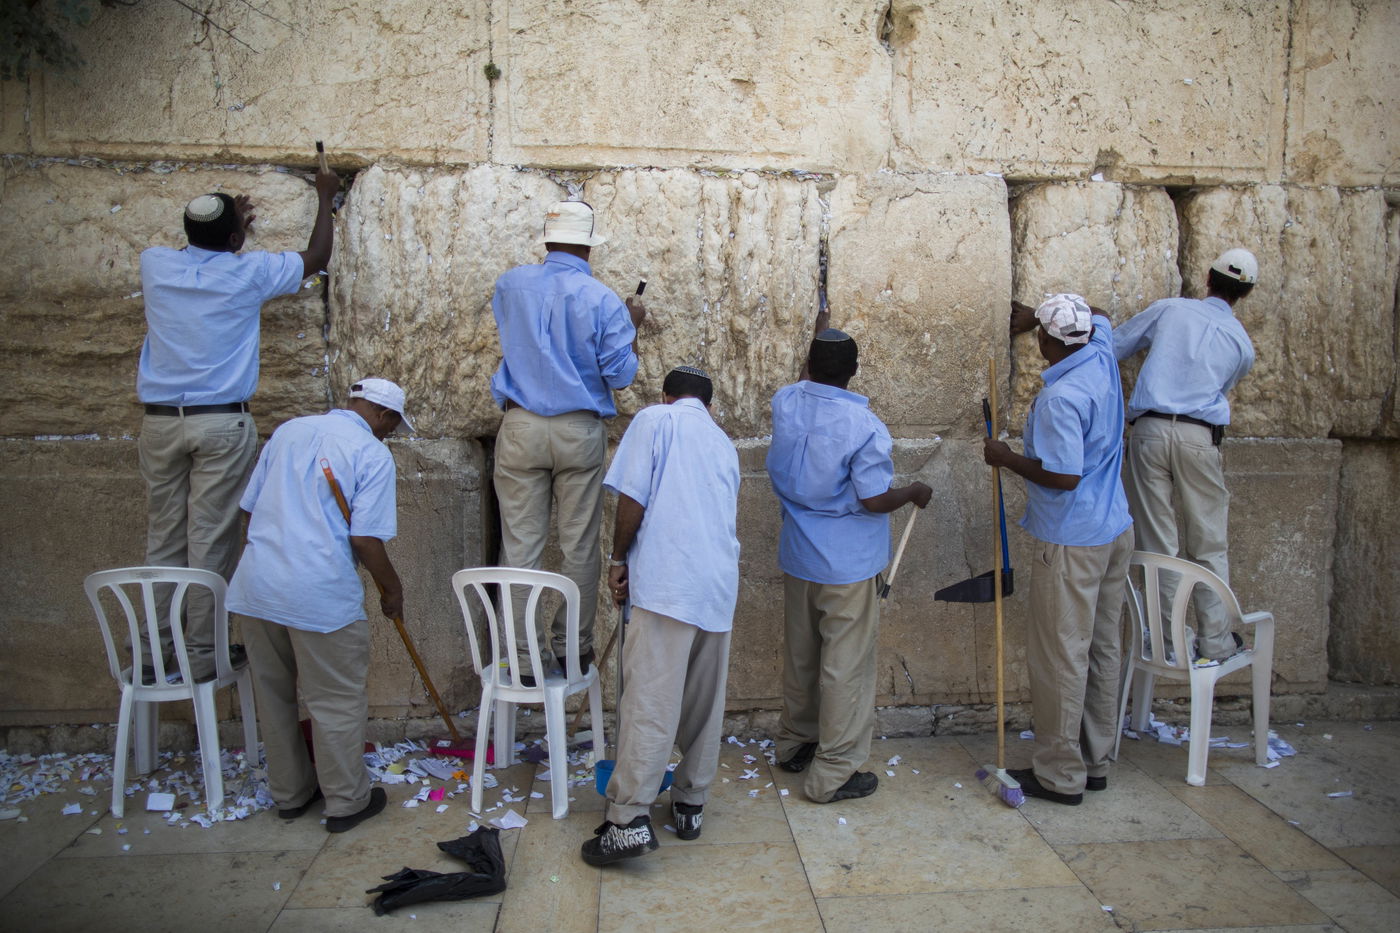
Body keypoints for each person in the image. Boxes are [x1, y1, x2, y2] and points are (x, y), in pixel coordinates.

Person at [136, 165, 340, 682]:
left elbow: (200, 248)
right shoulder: (247, 274)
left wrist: (225, 233)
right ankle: (201, 652)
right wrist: (324, 196)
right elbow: (316, 258)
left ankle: (155, 652)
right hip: (221, 426)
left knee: (164, 538)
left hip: (160, 424)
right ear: (235, 237)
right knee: (212, 539)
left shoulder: (155, 266)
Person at [227, 378, 411, 833]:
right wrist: (393, 590)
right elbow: (365, 539)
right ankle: (346, 803)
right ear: (383, 416)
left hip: (257, 586)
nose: (389, 434)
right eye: (392, 426)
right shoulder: (372, 453)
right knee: (336, 700)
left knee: (272, 694)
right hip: (319, 594)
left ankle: (289, 795)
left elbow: (249, 510)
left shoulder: (288, 430)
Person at [580, 366, 740, 866]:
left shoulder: (655, 419)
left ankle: (627, 819)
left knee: (651, 700)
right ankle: (690, 803)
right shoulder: (724, 444)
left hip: (669, 584)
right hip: (716, 587)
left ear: (667, 395)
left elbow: (633, 498)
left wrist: (618, 559)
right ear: (710, 407)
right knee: (702, 705)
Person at [767, 327, 931, 804]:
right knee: (845, 669)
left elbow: (805, 379)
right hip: (847, 567)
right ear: (854, 372)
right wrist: (914, 492)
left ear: (810, 365)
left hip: (799, 555)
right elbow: (875, 498)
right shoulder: (865, 428)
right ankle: (833, 773)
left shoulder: (786, 402)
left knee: (802, 656)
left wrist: (820, 328)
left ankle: (796, 743)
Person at [984, 294, 1133, 805]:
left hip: (1072, 539)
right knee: (1101, 647)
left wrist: (1005, 458)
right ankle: (1094, 763)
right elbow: (1103, 315)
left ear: (1046, 342)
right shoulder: (1103, 353)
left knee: (1061, 658)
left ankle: (1059, 776)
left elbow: (1064, 477)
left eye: (1037, 335)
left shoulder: (1060, 399)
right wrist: (1037, 316)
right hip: (1113, 528)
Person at [489, 200, 645, 684]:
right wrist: (631, 328)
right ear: (589, 245)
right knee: (578, 545)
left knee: (520, 546)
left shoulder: (510, 285)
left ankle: (524, 655)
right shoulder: (602, 300)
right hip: (579, 427)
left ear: (547, 238)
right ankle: (573, 649)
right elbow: (619, 375)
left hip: (520, 424)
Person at [1113, 249, 1258, 665]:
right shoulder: (1241, 344)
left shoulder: (1170, 310)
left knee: (1160, 544)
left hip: (1151, 431)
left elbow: (1117, 344)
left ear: (1208, 278)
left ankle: (1168, 641)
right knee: (1209, 544)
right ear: (1244, 294)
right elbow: (1221, 387)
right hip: (1199, 436)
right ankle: (1215, 642)